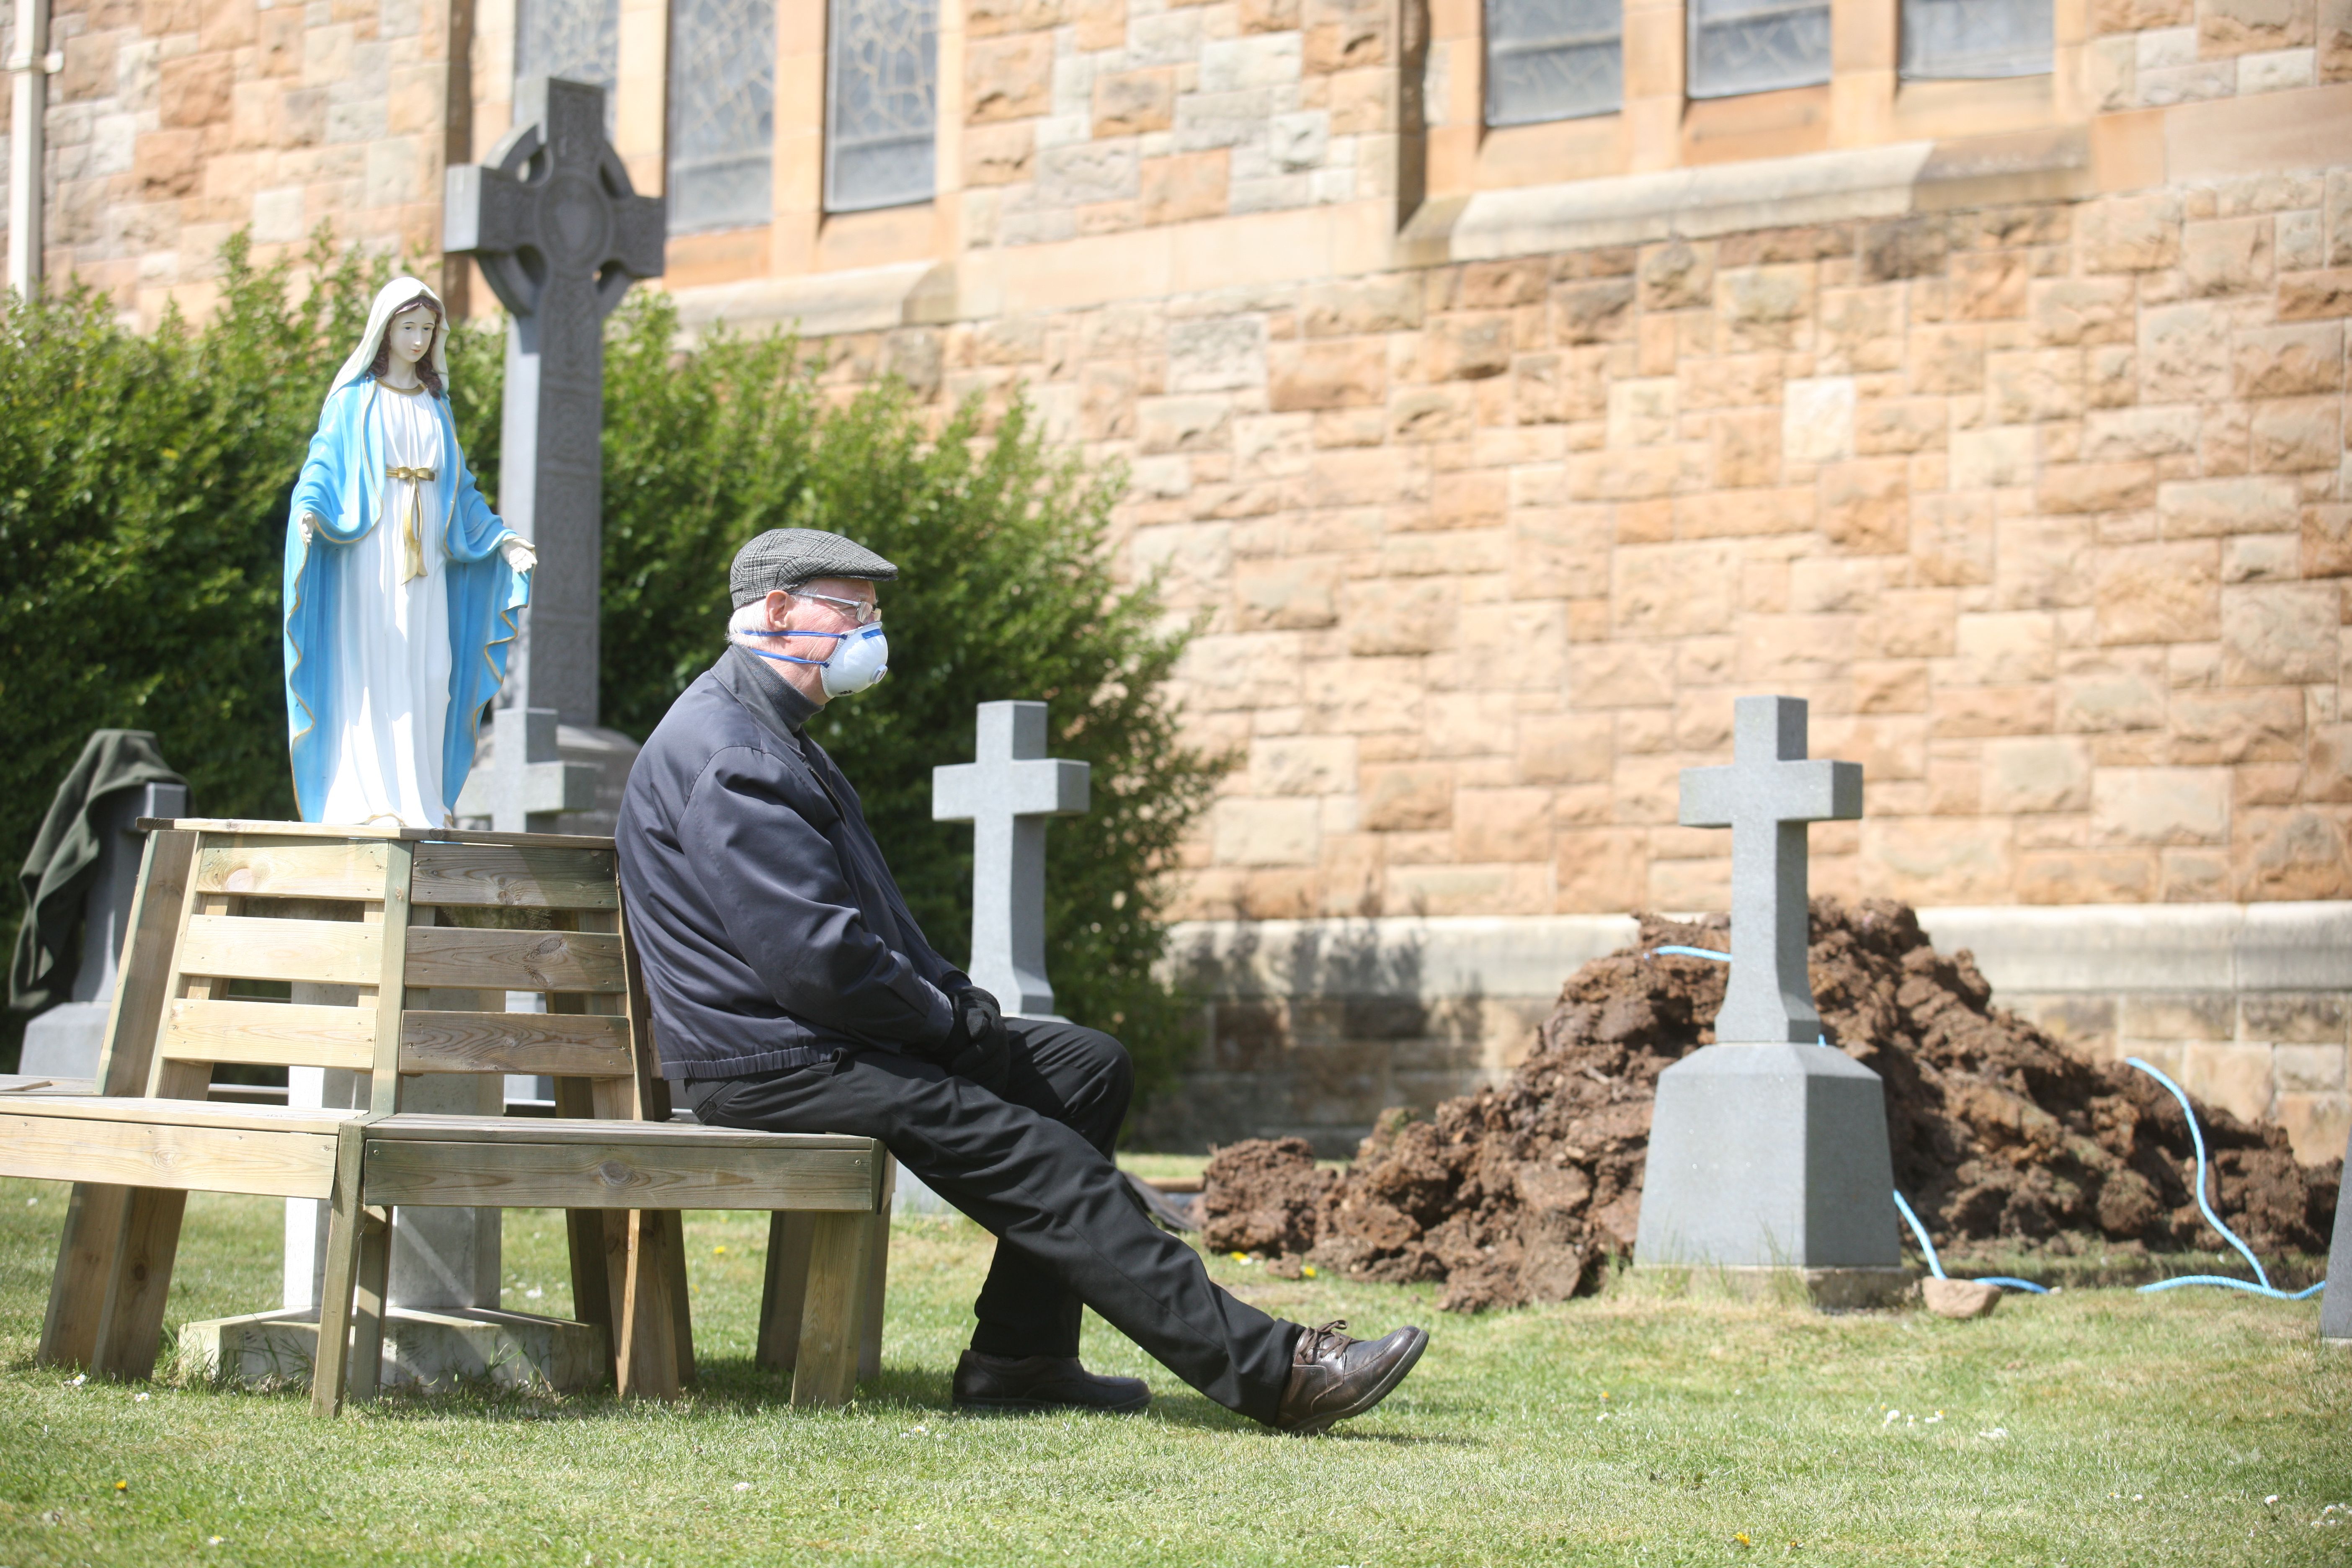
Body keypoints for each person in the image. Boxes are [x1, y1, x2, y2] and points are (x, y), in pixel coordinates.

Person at [615, 527, 1428, 1433]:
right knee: (1037, 1154)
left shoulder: (770, 735)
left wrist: (957, 1003)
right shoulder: (735, 753)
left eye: (873, 613)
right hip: (778, 1062)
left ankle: (1021, 1359)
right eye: (852, 610)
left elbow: (868, 927)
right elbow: (820, 963)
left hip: (821, 1039)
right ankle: (1277, 1372)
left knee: (1085, 1067)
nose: (870, 632)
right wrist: (943, 1023)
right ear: (776, 612)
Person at [283, 276, 536, 828]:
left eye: (427, 329)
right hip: (372, 557)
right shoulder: (355, 401)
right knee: (376, 665)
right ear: (385, 331)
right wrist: (310, 511)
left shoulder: (436, 404)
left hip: (428, 566)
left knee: (431, 670)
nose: (419, 340)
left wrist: (502, 538)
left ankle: (422, 799)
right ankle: (368, 800)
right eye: (408, 328)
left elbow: (460, 490)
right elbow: (323, 467)